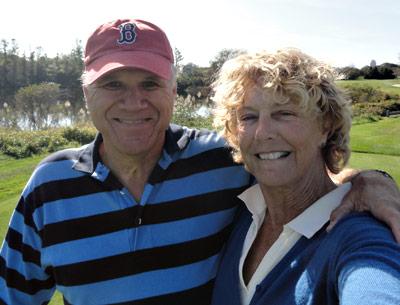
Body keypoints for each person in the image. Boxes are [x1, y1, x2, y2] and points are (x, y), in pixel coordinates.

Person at [0, 19, 399, 305]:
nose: (133, 102)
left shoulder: (219, 162)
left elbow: (300, 179)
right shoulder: (49, 187)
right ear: (87, 93)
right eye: (112, 85)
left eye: (151, 84)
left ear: (173, 89)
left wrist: (367, 181)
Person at [210, 49, 400, 305]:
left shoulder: (357, 237)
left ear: (326, 125)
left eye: (284, 113)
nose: (262, 133)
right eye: (248, 117)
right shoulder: (239, 210)